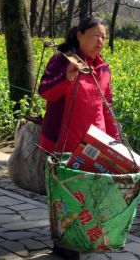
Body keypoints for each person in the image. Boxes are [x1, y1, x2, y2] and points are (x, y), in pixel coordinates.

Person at [37, 15, 119, 258]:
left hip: (95, 143)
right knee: (66, 195)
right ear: (80, 35)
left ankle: (84, 237)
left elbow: (107, 106)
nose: (101, 41)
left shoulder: (103, 68)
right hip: (65, 141)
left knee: (90, 195)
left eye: (104, 37)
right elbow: (46, 92)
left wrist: (114, 139)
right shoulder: (62, 61)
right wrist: (68, 77)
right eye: (96, 35)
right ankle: (64, 244)